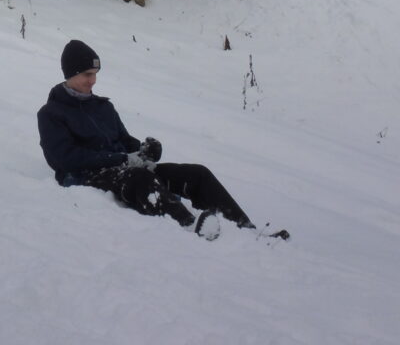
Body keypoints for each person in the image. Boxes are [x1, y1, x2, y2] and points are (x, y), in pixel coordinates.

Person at [37, 39, 288, 241]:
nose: (93, 80)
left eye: (96, 74)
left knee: (197, 174)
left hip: (123, 167)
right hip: (86, 176)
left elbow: (125, 141)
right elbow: (64, 159)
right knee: (140, 177)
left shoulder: (103, 107)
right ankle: (190, 226)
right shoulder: (51, 114)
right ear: (70, 74)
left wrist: (145, 151)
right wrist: (123, 159)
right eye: (87, 75)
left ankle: (246, 229)